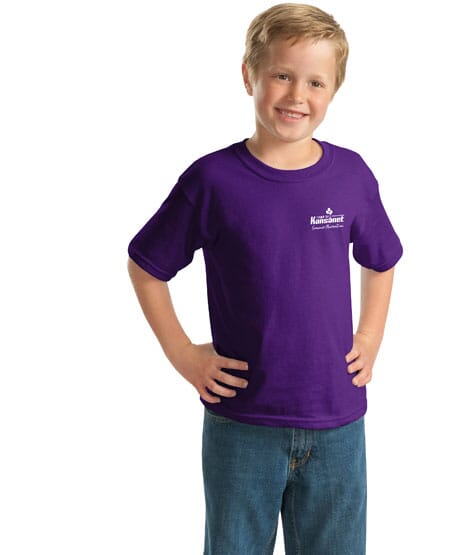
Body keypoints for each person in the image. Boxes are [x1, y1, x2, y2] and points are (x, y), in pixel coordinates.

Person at [127, 3, 403, 553]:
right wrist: (183, 354)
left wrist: (370, 337)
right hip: (241, 423)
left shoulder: (351, 175)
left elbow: (381, 259)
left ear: (334, 90)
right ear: (249, 74)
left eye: (315, 82)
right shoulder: (212, 180)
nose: (297, 94)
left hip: (336, 420)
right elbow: (146, 267)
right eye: (281, 75)